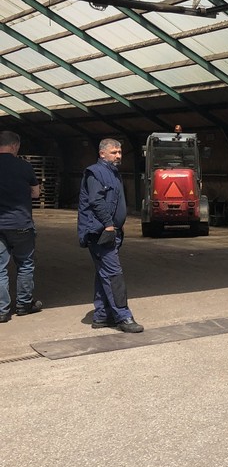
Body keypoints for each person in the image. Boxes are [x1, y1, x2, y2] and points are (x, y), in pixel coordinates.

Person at [77, 138, 143, 333]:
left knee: (104, 273)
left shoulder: (113, 173)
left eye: (119, 152)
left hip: (112, 231)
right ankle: (123, 316)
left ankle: (102, 315)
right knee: (114, 273)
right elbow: (96, 201)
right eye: (114, 152)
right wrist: (108, 224)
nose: (118, 156)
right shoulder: (95, 173)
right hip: (100, 232)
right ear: (102, 153)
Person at [0, 130, 42, 322]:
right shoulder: (24, 166)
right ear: (14, 146)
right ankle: (24, 305)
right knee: (25, 264)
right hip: (21, 223)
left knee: (0, 268)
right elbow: (36, 193)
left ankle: (2, 310)